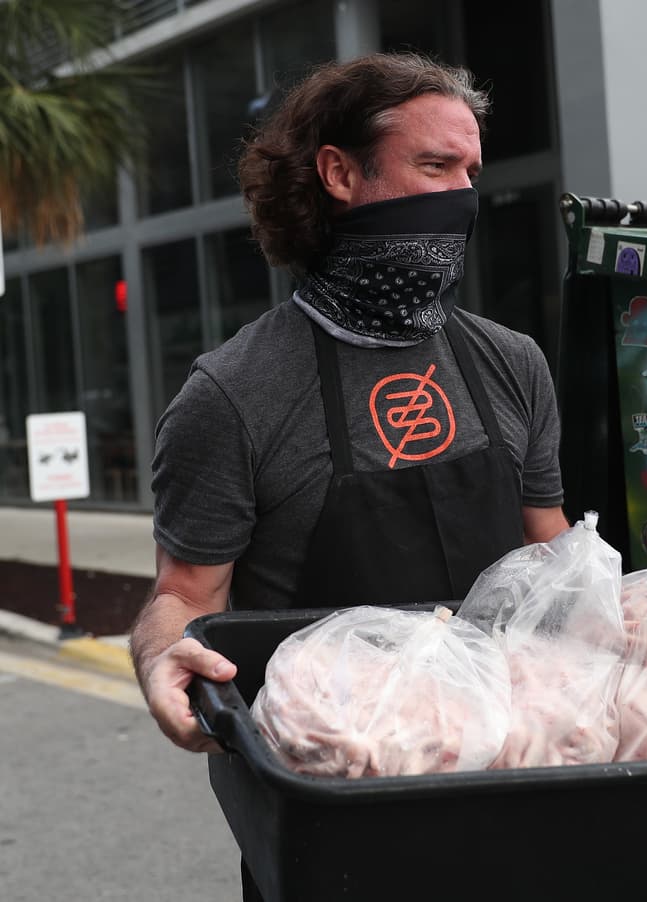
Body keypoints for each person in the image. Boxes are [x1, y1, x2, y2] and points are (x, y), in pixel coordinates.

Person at [129, 52, 569, 753]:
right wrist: (162, 659)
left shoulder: (512, 362)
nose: (462, 196)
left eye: (470, 174)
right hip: (332, 789)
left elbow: (550, 557)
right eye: (434, 167)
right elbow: (183, 596)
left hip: (510, 766)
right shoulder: (233, 394)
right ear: (339, 173)